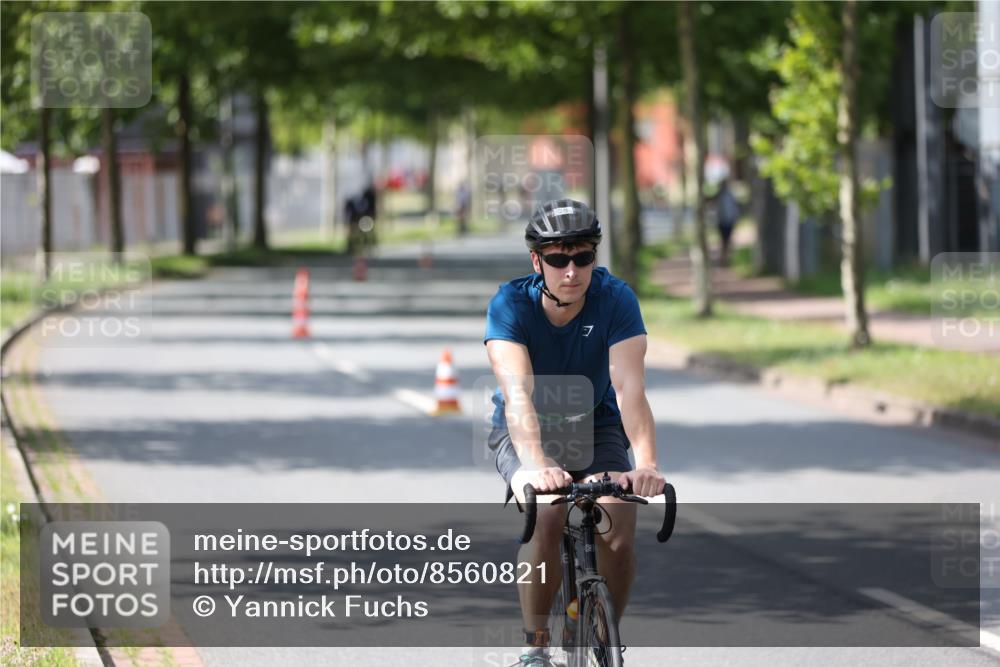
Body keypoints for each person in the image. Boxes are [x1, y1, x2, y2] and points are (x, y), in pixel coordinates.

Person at [484, 199, 664, 666]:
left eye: (583, 258)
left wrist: (646, 463)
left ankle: (602, 631)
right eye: (558, 259)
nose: (572, 271)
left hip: (595, 421)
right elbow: (518, 395)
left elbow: (630, 389)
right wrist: (537, 464)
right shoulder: (509, 304)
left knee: (618, 521)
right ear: (536, 261)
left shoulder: (616, 299)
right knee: (547, 513)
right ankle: (535, 646)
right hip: (526, 428)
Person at [713, 178, 739, 266]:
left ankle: (727, 259)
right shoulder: (719, 196)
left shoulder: (730, 195)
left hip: (729, 221)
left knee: (728, 241)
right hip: (722, 221)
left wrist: (734, 218)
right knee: (723, 241)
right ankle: (723, 259)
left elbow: (734, 208)